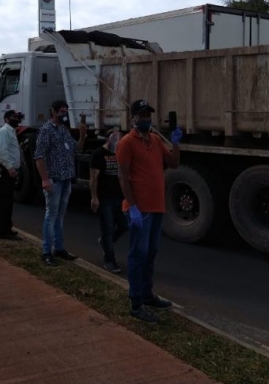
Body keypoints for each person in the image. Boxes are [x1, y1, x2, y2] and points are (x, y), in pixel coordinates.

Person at [116, 99, 181, 323]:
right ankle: (136, 303)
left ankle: (147, 293)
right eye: (142, 115)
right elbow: (123, 177)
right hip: (140, 209)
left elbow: (173, 163)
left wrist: (176, 143)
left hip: (156, 207)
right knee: (138, 255)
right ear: (134, 118)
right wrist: (132, 206)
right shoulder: (126, 143)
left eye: (148, 115)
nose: (146, 119)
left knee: (151, 253)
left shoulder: (154, 140)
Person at [33, 100, 87, 266]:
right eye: (62, 112)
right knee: (51, 215)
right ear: (53, 112)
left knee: (60, 216)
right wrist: (44, 179)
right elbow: (39, 157)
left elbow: (77, 148)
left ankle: (59, 248)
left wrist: (82, 135)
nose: (64, 114)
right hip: (54, 180)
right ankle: (46, 251)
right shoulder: (46, 131)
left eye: (66, 111)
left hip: (66, 180)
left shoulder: (63, 130)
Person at [90, 129, 128, 274]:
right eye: (115, 138)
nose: (118, 141)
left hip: (119, 197)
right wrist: (94, 197)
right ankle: (109, 260)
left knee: (124, 225)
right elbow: (93, 179)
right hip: (104, 198)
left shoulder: (120, 153)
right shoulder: (98, 154)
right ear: (108, 138)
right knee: (107, 228)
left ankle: (106, 243)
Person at [0, 110, 22, 240]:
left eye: (17, 117)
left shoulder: (11, 131)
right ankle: (4, 231)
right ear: (6, 119)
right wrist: (10, 168)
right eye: (13, 117)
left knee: (8, 201)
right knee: (4, 202)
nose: (16, 119)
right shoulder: (4, 132)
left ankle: (7, 228)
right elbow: (1, 152)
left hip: (8, 172)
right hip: (4, 172)